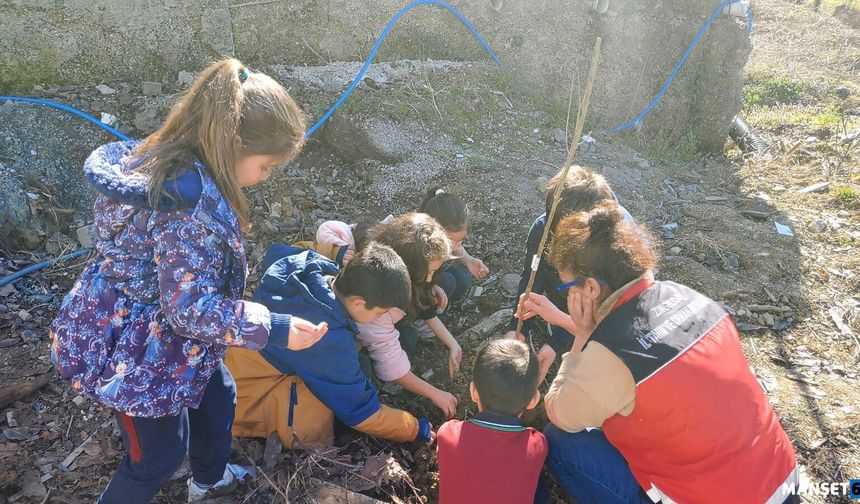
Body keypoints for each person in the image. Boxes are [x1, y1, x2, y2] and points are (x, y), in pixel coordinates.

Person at [49, 59, 328, 503]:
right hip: (134, 351)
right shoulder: (185, 210)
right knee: (155, 457)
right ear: (233, 143)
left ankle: (208, 480)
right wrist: (272, 328)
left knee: (217, 397)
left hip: (175, 336)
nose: (265, 178)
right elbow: (189, 308)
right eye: (267, 166)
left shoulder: (182, 162)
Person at [519, 202, 798, 504]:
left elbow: (560, 413)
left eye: (566, 288)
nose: (566, 296)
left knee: (562, 443)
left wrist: (584, 333)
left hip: (712, 496)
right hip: (780, 475)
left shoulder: (612, 352)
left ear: (590, 288)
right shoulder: (693, 298)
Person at [225, 243, 435, 447]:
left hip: (235, 363)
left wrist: (335, 251)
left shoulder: (311, 265)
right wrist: (416, 429)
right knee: (324, 417)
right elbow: (361, 411)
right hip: (245, 400)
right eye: (379, 313)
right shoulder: (327, 338)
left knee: (358, 364)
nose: (379, 318)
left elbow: (280, 249)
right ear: (358, 303)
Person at [504, 166, 636, 383]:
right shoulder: (544, 228)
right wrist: (517, 329)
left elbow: (603, 319)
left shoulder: (618, 249)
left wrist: (558, 341)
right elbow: (532, 277)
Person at [436, 339, 547, 504]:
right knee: (540, 485)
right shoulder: (537, 443)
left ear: (473, 391)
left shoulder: (448, 434)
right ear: (533, 400)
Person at [419, 188, 489, 305]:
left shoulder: (440, 238)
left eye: (460, 240)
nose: (456, 247)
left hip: (435, 275)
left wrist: (469, 260)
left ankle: (439, 305)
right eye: (451, 241)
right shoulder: (417, 248)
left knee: (464, 280)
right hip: (415, 287)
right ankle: (424, 313)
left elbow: (456, 249)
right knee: (448, 283)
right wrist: (429, 287)